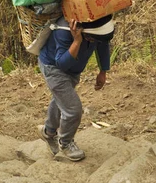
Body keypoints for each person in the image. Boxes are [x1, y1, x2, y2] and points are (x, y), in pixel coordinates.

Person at [37, 14, 114, 161]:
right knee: (73, 109)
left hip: (74, 69)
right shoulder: (64, 31)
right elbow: (62, 64)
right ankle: (65, 143)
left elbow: (103, 45)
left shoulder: (98, 27)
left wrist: (103, 71)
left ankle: (48, 132)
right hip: (53, 68)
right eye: (91, 39)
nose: (94, 42)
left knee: (61, 101)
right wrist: (77, 41)